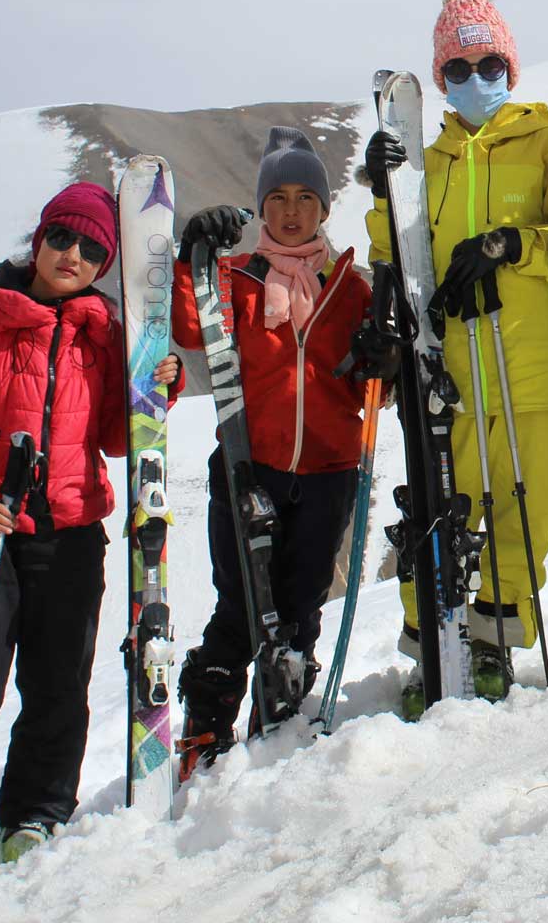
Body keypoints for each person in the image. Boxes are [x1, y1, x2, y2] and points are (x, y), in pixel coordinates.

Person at [0, 183, 180, 892]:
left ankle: (35, 816)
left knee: (58, 684)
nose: (74, 256)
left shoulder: (101, 330)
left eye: (94, 250)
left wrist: (158, 387)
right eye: (64, 239)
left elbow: (119, 436)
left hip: (71, 529)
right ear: (40, 240)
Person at [363, 0, 548, 720]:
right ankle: (434, 644)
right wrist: (384, 186)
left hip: (533, 366)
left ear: (510, 68)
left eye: (489, 65)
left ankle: (491, 643)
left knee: (524, 515)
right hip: (452, 368)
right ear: (442, 79)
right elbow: (396, 253)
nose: (475, 80)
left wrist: (515, 245)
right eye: (458, 69)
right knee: (440, 506)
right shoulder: (433, 160)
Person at [171, 126, 388, 769]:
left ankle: (282, 715)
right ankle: (207, 727)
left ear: (324, 208)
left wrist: (384, 358)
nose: (291, 211)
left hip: (328, 469)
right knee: (240, 600)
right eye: (277, 199)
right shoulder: (237, 279)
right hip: (249, 463)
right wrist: (195, 257)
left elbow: (374, 383)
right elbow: (189, 325)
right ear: (261, 209)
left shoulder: (350, 288)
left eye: (304, 198)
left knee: (300, 602)